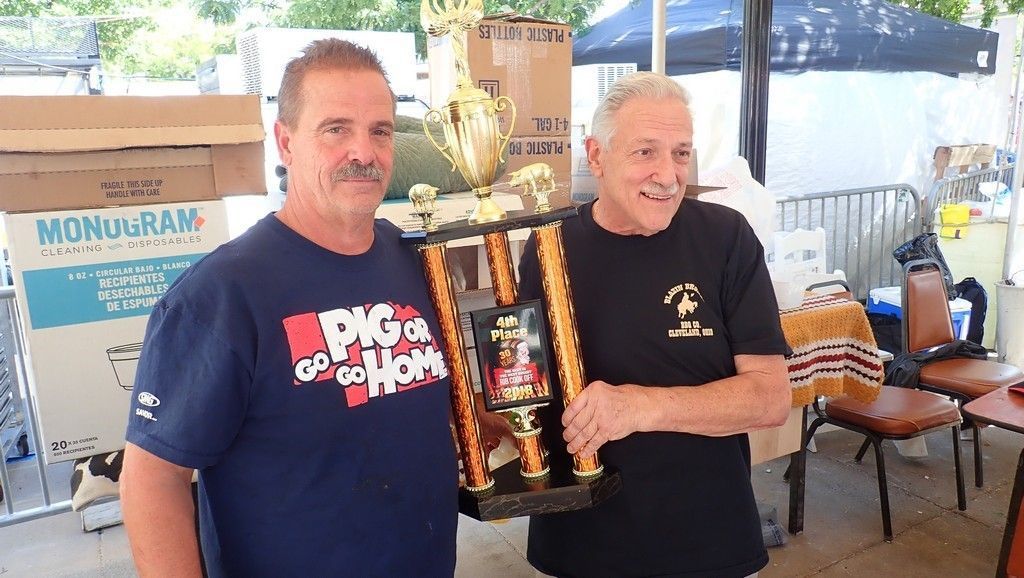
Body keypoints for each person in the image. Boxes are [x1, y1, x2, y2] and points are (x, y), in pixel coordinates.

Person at [121, 39, 466, 577]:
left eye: (380, 130)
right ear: (285, 142)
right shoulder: (223, 293)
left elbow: (402, 403)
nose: (364, 152)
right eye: (336, 129)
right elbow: (152, 479)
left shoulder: (410, 260)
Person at [518, 72, 792, 578]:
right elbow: (525, 383)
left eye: (682, 153)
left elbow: (771, 398)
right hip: (581, 541)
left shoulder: (725, 238)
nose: (668, 174)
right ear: (596, 155)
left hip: (707, 541)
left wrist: (636, 406)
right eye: (646, 152)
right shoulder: (550, 245)